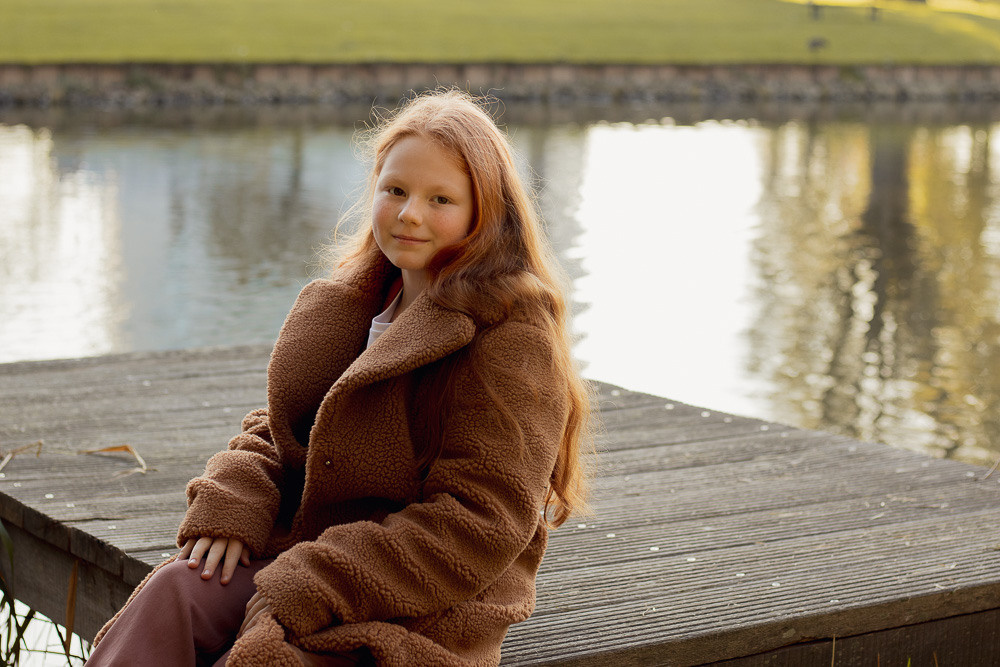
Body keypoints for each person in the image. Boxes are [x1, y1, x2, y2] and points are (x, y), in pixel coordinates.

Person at [86, 88, 592, 667]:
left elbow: (480, 522)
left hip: (419, 591)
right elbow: (282, 429)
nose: (410, 213)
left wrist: (313, 579)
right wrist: (235, 500)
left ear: (486, 214)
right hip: (309, 545)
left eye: (441, 199)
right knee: (174, 590)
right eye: (395, 190)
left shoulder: (512, 334)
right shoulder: (354, 305)